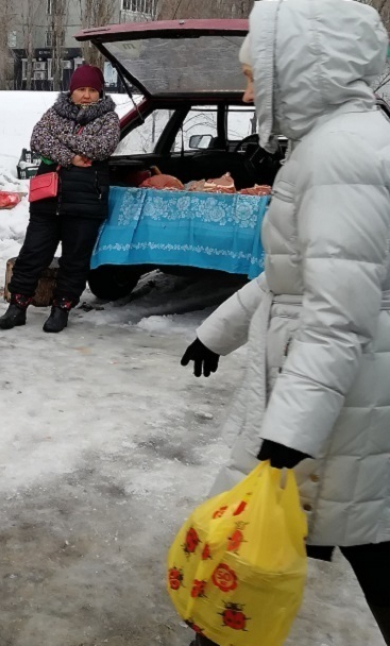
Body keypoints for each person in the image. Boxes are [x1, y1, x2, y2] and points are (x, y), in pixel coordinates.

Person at [181, 1, 390, 643]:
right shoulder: (330, 144)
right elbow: (288, 278)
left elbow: (336, 314)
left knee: (251, 544)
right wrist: (216, 330)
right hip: (333, 394)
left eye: (253, 75)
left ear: (303, 70)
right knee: (337, 533)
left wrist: (291, 430)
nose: (248, 91)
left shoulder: (342, 154)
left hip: (333, 398)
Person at [0, 64, 119, 333]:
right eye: (80, 90)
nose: (86, 96)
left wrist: (60, 139)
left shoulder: (109, 119)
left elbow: (102, 147)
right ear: (71, 91)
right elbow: (37, 140)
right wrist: (71, 156)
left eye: (92, 90)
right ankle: (17, 307)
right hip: (47, 198)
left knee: (74, 259)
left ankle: (61, 309)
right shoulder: (53, 112)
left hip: (86, 199)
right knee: (32, 253)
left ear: (100, 93)